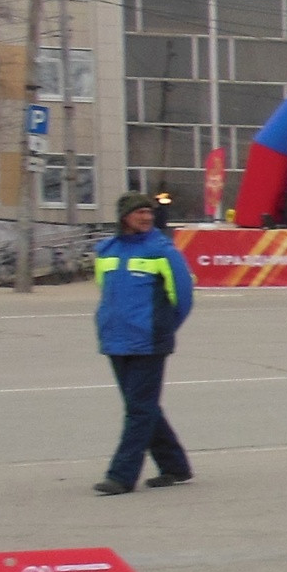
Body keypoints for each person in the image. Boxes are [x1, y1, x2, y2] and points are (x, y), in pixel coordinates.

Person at [92, 191, 195, 496]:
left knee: (139, 409)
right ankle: (175, 466)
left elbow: (184, 297)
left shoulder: (162, 251)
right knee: (143, 407)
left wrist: (162, 327)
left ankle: (121, 475)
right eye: (140, 213)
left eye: (149, 213)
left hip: (149, 342)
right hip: (115, 340)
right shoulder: (105, 250)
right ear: (125, 217)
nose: (147, 217)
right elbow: (106, 291)